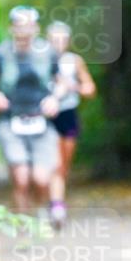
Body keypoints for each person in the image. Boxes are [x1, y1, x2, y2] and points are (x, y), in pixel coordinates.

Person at [0, 6, 67, 217]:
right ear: (12, 28)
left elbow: (62, 82)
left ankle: (41, 211)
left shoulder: (48, 52)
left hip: (41, 123)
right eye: (19, 25)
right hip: (11, 122)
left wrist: (55, 98)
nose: (24, 30)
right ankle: (24, 224)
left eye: (28, 25)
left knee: (41, 178)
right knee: (21, 178)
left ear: (36, 28)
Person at [46, 21, 97, 220]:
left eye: (62, 40)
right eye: (54, 40)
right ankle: (54, 203)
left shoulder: (74, 61)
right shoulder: (38, 60)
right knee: (50, 163)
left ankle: (56, 201)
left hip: (67, 114)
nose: (58, 43)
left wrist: (71, 86)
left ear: (68, 42)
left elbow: (90, 89)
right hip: (45, 117)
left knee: (63, 164)